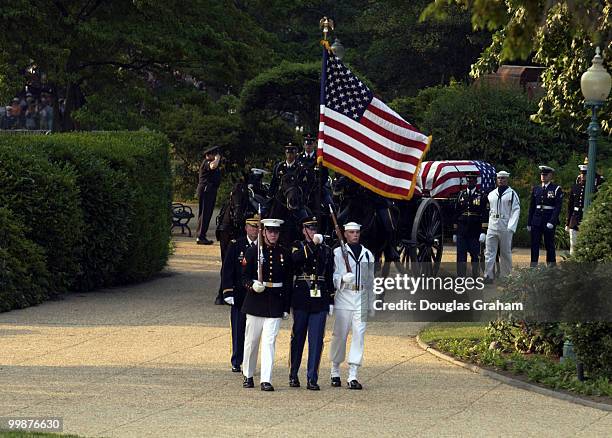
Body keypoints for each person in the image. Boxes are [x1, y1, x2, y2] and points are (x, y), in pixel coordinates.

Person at [241, 218, 292, 391]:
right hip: (256, 302)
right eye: (270, 231)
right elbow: (244, 276)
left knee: (270, 342)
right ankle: (248, 374)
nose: (273, 235)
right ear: (264, 232)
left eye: (276, 232)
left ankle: (266, 379)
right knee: (252, 341)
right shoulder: (253, 251)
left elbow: (287, 282)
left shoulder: (284, 253)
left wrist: (286, 307)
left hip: (275, 302)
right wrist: (252, 285)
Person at [288, 217, 334, 391]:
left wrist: (331, 299)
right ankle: (293, 374)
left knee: (316, 340)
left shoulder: (326, 249)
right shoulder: (297, 246)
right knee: (298, 338)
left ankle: (312, 377)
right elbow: (295, 260)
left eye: (315, 229)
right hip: (301, 297)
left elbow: (328, 275)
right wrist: (312, 245)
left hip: (320, 298)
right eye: (309, 229)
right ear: (303, 230)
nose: (313, 232)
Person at [329, 222, 375, 390]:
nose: (355, 235)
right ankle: (335, 370)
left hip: (361, 297)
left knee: (359, 335)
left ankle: (353, 374)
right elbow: (331, 276)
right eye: (351, 232)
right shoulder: (337, 253)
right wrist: (341, 278)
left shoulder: (368, 254)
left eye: (357, 232)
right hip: (344, 296)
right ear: (345, 234)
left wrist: (371, 302)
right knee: (340, 335)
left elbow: (370, 281)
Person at [221, 215, 260, 373]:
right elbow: (227, 269)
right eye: (251, 227)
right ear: (246, 228)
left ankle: (250, 361)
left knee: (254, 331)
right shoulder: (236, 245)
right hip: (239, 294)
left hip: (256, 294)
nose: (254, 230)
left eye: (257, 227)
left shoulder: (263, 246)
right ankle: (237, 360)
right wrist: (227, 291)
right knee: (238, 329)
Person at [484, 171, 520, 282]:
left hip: (505, 226)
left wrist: (511, 227)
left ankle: (506, 276)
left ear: (507, 179)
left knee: (505, 253)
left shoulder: (512, 194)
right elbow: (487, 210)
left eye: (503, 178)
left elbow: (516, 210)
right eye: (499, 178)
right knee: (489, 252)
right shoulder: (491, 194)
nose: (501, 180)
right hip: (492, 225)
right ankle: (488, 275)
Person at [453, 171, 487, 277]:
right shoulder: (461, 195)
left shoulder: (481, 196)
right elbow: (456, 214)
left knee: (475, 256)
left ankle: (475, 277)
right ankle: (461, 277)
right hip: (462, 231)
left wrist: (483, 231)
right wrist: (455, 232)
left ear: (476, 181)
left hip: (474, 230)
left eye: (472, 180)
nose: (470, 182)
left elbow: (484, 215)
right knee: (461, 256)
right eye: (468, 180)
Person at [566, 161, 605, 254]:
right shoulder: (575, 187)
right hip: (575, 218)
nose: (583, 176)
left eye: (585, 174)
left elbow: (601, 183)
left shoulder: (593, 188)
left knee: (586, 245)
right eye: (582, 173)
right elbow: (570, 205)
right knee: (573, 245)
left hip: (586, 217)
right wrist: (567, 222)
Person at [527, 166, 563, 266]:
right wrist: (529, 222)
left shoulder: (556, 189)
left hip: (548, 219)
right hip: (537, 220)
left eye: (545, 175)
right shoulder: (536, 189)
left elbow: (557, 207)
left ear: (550, 175)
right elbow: (532, 207)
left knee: (549, 245)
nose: (543, 177)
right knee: (534, 244)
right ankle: (533, 266)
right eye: (542, 175)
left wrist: (552, 221)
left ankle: (551, 267)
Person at [196, 146, 221, 245]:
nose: (215, 156)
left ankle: (202, 235)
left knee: (207, 213)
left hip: (210, 190)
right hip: (206, 190)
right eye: (214, 154)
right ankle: (200, 236)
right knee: (204, 213)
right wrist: (217, 158)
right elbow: (212, 166)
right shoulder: (206, 163)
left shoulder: (210, 162)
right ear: (209, 155)